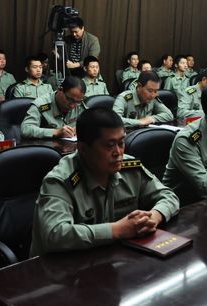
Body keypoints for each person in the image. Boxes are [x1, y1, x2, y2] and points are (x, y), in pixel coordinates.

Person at [29, 107, 179, 256]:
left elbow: (169, 196)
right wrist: (117, 230)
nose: (118, 152)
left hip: (112, 258)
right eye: (109, 145)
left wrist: (153, 217)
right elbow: (55, 234)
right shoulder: (60, 181)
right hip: (63, 265)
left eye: (121, 143)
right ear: (83, 149)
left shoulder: (130, 168)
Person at [21, 76, 87, 139]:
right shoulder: (41, 104)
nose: (72, 106)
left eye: (77, 101)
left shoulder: (80, 105)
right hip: (47, 145)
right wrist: (55, 132)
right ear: (60, 90)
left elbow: (90, 123)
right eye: (69, 99)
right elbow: (25, 129)